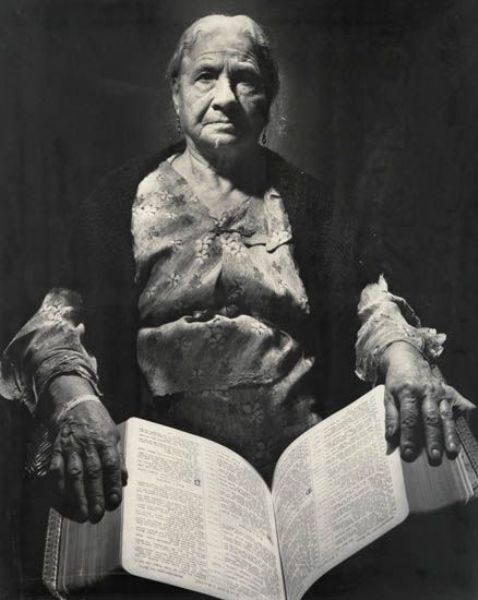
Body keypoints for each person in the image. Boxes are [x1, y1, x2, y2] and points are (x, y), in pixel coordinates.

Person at [0, 14, 473, 532]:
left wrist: (404, 356)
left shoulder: (314, 207)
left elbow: (370, 306)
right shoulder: (116, 204)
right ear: (176, 93)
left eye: (245, 79)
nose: (224, 97)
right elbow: (53, 327)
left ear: (270, 98)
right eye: (205, 76)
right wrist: (75, 401)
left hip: (303, 478)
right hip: (159, 479)